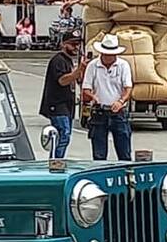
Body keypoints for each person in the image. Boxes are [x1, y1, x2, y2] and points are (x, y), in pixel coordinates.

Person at [81, 33, 133, 160]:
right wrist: (93, 97)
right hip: (99, 111)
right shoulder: (93, 65)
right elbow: (86, 88)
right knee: (99, 154)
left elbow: (128, 88)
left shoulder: (123, 65)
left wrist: (120, 101)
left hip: (118, 111)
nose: (109, 57)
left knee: (124, 152)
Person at [39, 29, 83, 158]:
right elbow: (62, 80)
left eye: (78, 44)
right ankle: (56, 161)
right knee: (62, 135)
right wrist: (78, 71)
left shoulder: (68, 60)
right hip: (58, 104)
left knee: (65, 136)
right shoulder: (58, 60)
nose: (76, 47)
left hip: (67, 105)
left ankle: (58, 159)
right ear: (64, 44)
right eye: (73, 44)